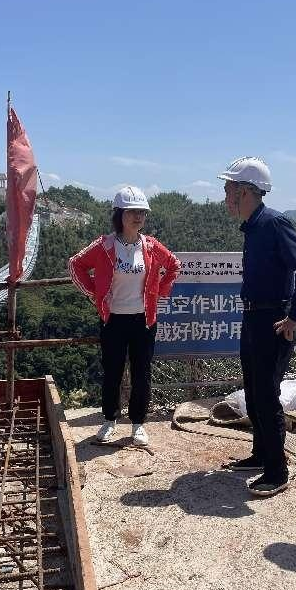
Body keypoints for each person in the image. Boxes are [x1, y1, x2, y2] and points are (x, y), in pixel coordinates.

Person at [218, 157, 296, 497]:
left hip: (274, 321)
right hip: (254, 318)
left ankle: (277, 471)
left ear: (245, 191)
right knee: (253, 389)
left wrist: (295, 317)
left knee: (266, 393)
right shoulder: (254, 226)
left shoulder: (274, 223)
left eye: (229, 189)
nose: (225, 196)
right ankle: (261, 454)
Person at [69, 186, 181, 447]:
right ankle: (110, 420)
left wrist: (160, 292)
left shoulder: (150, 246)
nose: (138, 217)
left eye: (142, 212)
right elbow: (75, 264)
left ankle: (138, 424)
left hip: (144, 320)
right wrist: (93, 293)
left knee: (142, 372)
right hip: (113, 320)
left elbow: (174, 265)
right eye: (132, 212)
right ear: (119, 214)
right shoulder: (105, 245)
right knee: (112, 372)